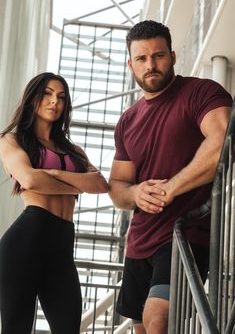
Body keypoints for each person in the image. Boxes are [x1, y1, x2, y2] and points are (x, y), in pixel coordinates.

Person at [108, 20, 233, 334]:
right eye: (141, 58)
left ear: (173, 56)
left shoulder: (201, 92)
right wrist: (136, 194)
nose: (151, 65)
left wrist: (172, 188)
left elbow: (222, 141)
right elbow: (117, 187)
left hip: (185, 232)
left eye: (158, 55)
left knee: (158, 319)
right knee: (142, 327)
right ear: (131, 64)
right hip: (139, 242)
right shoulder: (127, 121)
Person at [0, 72, 109, 334]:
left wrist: (57, 174)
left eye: (61, 97)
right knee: (16, 329)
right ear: (33, 98)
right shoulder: (12, 140)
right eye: (47, 94)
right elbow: (30, 179)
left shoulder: (73, 150)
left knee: (69, 327)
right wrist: (76, 184)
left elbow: (101, 184)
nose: (54, 101)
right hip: (26, 241)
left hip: (61, 245)